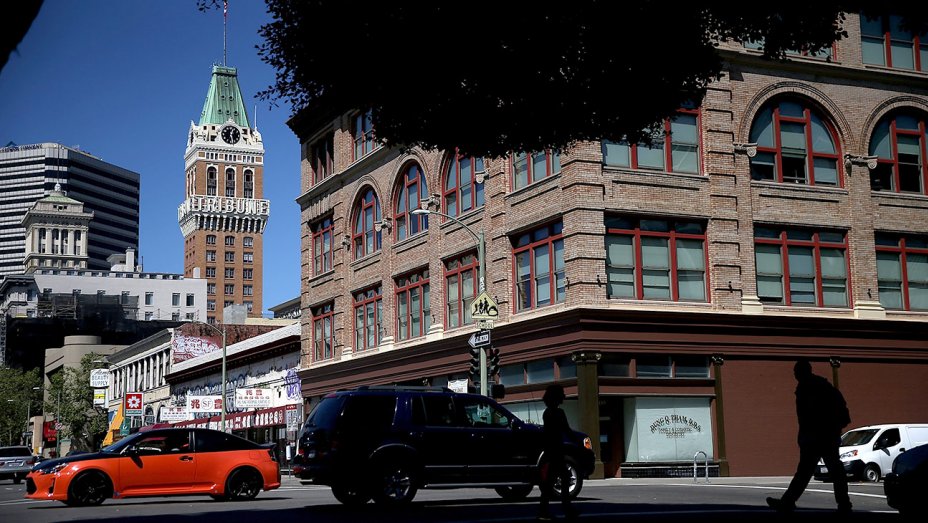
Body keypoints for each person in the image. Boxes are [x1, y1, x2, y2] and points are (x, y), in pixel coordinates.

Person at [767, 359, 852, 514]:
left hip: (819, 437)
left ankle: (789, 502)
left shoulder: (810, 388)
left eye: (796, 372)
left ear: (803, 372)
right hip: (822, 436)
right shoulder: (817, 386)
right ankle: (843, 503)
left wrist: (807, 436)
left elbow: (809, 417)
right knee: (826, 470)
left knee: (811, 471)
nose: (795, 375)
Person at [538, 384, 578, 521]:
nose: (564, 396)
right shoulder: (559, 413)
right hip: (557, 451)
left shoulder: (546, 413)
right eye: (562, 393)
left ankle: (544, 509)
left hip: (549, 450)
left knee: (549, 481)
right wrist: (577, 441)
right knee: (564, 479)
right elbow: (566, 430)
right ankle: (566, 507)